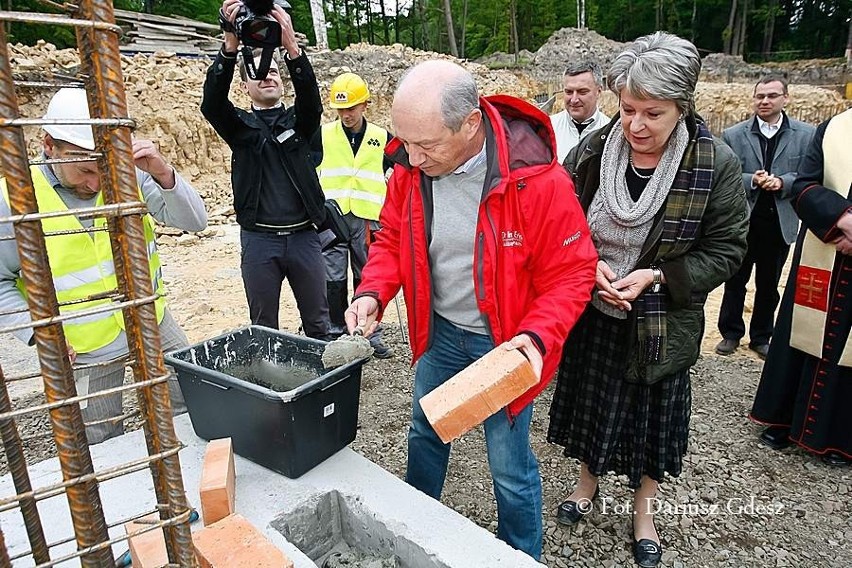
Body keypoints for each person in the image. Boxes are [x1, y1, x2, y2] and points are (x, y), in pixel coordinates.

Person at [344, 60, 598, 559]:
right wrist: (371, 292)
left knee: (507, 462)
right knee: (425, 431)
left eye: (427, 145)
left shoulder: (536, 181)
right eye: (406, 142)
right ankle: (413, 529)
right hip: (441, 334)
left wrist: (538, 338)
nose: (412, 158)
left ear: (469, 124)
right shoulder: (411, 171)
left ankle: (520, 553)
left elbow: (573, 272)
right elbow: (393, 239)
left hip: (505, 344)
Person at [546, 33, 748, 568]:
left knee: (650, 421)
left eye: (653, 113)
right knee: (592, 407)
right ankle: (587, 486)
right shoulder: (591, 151)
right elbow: (560, 223)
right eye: (627, 109)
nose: (635, 125)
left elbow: (727, 250)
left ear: (683, 107)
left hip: (662, 321)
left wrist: (657, 275)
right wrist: (585, 265)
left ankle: (643, 512)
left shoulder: (714, 164)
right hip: (595, 312)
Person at [0, 87, 208, 444]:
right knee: (100, 440)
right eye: (84, 170)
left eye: (103, 169)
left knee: (191, 408)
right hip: (85, 346)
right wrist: (39, 332)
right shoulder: (13, 201)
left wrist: (162, 173)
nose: (96, 183)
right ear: (49, 145)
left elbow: (195, 221)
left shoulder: (128, 174)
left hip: (151, 320)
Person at [201, 0, 330, 339]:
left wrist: (290, 45)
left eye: (274, 71)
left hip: (304, 237)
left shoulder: (299, 124)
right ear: (246, 85)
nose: (269, 75)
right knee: (264, 328)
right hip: (260, 240)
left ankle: (321, 388)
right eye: (259, 72)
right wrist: (230, 44)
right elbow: (212, 104)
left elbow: (311, 102)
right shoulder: (241, 129)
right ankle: (269, 387)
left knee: (319, 323)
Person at [749, 108, 852, 467]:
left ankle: (840, 437)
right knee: (803, 336)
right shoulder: (836, 127)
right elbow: (804, 185)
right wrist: (843, 220)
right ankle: (785, 419)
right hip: (826, 249)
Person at [715, 75, 815, 359]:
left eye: (772, 96)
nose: (765, 101)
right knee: (735, 281)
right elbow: (725, 175)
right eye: (760, 96)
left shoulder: (806, 135)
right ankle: (730, 333)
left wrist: (783, 182)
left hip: (778, 222)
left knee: (769, 285)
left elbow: (810, 175)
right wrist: (751, 180)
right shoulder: (734, 134)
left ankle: (761, 336)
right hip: (742, 221)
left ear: (786, 98)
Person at [311, 72, 394, 358]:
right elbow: (305, 174)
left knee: (368, 277)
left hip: (368, 220)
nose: (346, 114)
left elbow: (403, 174)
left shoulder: (382, 137)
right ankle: (336, 332)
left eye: (351, 108)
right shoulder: (322, 135)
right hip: (332, 219)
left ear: (365, 105)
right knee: (332, 278)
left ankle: (371, 334)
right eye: (341, 109)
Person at [550, 61, 610, 164]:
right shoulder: (549, 127)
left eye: (582, 92)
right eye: (569, 92)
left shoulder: (610, 132)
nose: (574, 100)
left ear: (599, 92)